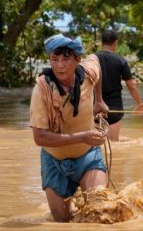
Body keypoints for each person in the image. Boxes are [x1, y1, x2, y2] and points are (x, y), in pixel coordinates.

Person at [30, 34, 109, 222]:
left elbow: (96, 60)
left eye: (66, 58)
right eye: (54, 59)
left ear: (77, 60)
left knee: (99, 212)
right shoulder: (42, 90)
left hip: (88, 156)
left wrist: (99, 100)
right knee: (62, 220)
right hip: (54, 160)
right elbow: (39, 138)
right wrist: (82, 136)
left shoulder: (88, 73)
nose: (60, 65)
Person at [96, 30, 142, 141]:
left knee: (96, 144)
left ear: (102, 42)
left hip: (95, 107)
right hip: (114, 107)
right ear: (115, 43)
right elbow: (131, 85)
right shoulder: (121, 60)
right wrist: (140, 105)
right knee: (114, 143)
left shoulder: (92, 58)